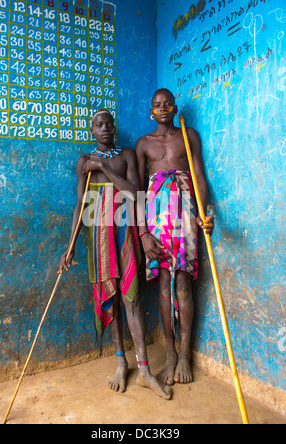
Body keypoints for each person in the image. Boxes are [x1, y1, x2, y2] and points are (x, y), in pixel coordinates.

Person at [59, 109, 172, 400]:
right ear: (92, 131)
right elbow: (80, 205)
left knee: (130, 297)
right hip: (96, 234)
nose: (106, 128)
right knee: (109, 297)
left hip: (124, 231)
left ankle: (144, 370)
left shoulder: (127, 155)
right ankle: (121, 362)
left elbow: (136, 192)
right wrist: (69, 248)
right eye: (99, 125)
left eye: (109, 123)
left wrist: (104, 167)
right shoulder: (83, 162)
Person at [136, 89, 214, 386]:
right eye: (157, 105)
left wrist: (203, 214)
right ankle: (169, 355)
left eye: (168, 103)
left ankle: (184, 355)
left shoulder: (188, 135)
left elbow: (199, 177)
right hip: (156, 222)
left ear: (175, 107)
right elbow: (139, 191)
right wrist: (143, 233)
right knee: (164, 286)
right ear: (152, 111)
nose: (163, 108)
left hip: (185, 216)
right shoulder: (144, 144)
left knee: (183, 283)